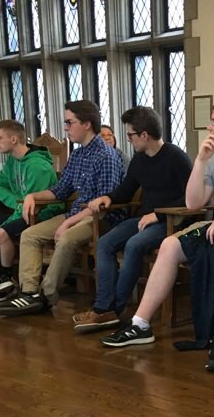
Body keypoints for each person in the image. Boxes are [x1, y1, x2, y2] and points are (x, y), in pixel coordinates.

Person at [101, 97, 214, 371]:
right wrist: (200, 161)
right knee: (169, 245)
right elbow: (193, 203)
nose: (210, 129)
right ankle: (141, 324)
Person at [0, 100, 125, 316]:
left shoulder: (106, 155)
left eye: (69, 122)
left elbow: (103, 205)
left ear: (86, 124)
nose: (65, 127)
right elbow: (60, 190)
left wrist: (67, 222)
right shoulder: (77, 154)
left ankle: (46, 295)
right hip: (76, 214)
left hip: (100, 219)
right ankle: (29, 294)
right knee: (29, 235)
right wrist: (32, 196)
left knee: (66, 238)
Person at [72, 106, 192, 332]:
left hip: (172, 221)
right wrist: (107, 197)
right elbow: (126, 190)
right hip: (145, 219)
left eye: (130, 135)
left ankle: (113, 310)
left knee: (133, 245)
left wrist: (158, 214)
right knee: (105, 243)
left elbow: (192, 198)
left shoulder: (176, 157)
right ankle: (103, 308)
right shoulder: (139, 159)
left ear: (144, 135)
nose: (128, 140)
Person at [0, 120, 61, 301]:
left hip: (43, 213)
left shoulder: (37, 166)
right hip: (21, 210)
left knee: (2, 233)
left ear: (13, 139)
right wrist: (16, 203)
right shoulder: (13, 161)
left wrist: (12, 217)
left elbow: (35, 204)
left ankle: (6, 280)